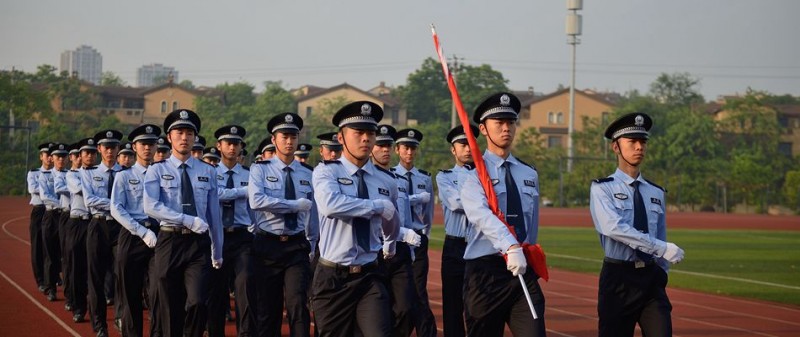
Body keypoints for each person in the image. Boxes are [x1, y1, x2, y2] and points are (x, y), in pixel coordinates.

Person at [589, 112, 685, 337]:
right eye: (632, 142)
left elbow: (660, 232)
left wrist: (661, 272)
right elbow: (613, 227)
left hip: (651, 279)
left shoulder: (656, 192)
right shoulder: (602, 188)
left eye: (642, 142)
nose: (639, 147)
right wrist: (661, 248)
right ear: (616, 147)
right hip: (618, 279)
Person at [460, 92, 546, 336]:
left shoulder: (529, 174)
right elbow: (481, 214)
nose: (506, 128)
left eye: (510, 122)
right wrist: (510, 246)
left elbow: (533, 222)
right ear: (484, 129)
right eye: (499, 123)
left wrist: (525, 250)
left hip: (522, 271)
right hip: (485, 273)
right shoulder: (473, 174)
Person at [311, 101, 400, 337]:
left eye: (370, 133)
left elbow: (392, 215)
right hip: (333, 278)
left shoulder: (386, 180)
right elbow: (330, 205)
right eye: (358, 132)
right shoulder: (326, 171)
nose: (366, 139)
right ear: (341, 137)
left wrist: (390, 243)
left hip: (370, 275)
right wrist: (376, 206)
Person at [143, 109, 224, 337]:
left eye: (189, 132)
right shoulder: (157, 170)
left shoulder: (208, 171)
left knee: (197, 302)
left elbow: (213, 215)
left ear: (195, 137)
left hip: (198, 245)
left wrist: (217, 251)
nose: (185, 137)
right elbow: (151, 206)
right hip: (169, 242)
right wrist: (186, 219)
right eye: (179, 132)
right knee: (169, 307)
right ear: (169, 137)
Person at [249, 113, 317, 337]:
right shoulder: (260, 169)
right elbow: (257, 201)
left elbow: (313, 213)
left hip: (296, 246)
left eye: (293, 136)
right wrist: (293, 205)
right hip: (267, 245)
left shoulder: (308, 173)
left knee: (298, 303)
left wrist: (313, 244)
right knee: (268, 308)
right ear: (273, 139)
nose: (289, 141)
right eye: (284, 136)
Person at [110, 124, 162, 337]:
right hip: (132, 236)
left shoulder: (162, 173)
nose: (147, 148)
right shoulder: (124, 176)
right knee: (130, 295)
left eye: (151, 144)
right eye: (143, 144)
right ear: (134, 147)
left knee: (158, 292)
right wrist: (142, 231)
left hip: (159, 235)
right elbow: (116, 209)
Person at [370, 124, 422, 336]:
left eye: (388, 146)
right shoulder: (364, 180)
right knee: (378, 309)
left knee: (405, 308)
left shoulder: (398, 181)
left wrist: (408, 248)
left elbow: (405, 218)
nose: (385, 150)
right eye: (380, 145)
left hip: (399, 252)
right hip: (374, 250)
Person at [207, 124, 258, 337]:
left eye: (236, 144)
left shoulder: (250, 174)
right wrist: (240, 192)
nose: (232, 147)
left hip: (242, 236)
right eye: (228, 143)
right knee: (216, 293)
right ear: (219, 146)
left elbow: (253, 204)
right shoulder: (208, 172)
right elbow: (214, 196)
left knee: (245, 287)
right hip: (215, 237)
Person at [392, 128, 436, 337]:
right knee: (399, 292)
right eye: (406, 148)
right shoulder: (389, 176)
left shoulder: (424, 178)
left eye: (413, 148)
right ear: (397, 150)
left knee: (419, 290)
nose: (409, 153)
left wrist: (423, 233)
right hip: (398, 239)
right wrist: (416, 199)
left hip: (417, 239)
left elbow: (428, 214)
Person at [436, 124, 479, 337]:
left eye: (471, 143)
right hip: (454, 246)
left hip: (479, 244)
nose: (468, 148)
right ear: (453, 149)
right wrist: (480, 202)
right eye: (462, 144)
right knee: (452, 305)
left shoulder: (486, 176)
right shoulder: (444, 177)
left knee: (478, 304)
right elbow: (455, 203)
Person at [81, 129, 124, 337]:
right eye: (106, 147)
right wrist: (117, 205)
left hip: (120, 228)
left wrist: (115, 208)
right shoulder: (89, 173)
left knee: (122, 274)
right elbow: (90, 201)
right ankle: (99, 325)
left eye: (113, 147)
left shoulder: (126, 173)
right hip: (98, 227)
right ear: (99, 149)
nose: (110, 151)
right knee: (96, 278)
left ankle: (119, 316)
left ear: (118, 149)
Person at [65, 138, 97, 323]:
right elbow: (80, 190)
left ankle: (96, 309)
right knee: (76, 266)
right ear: (80, 156)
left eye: (93, 153)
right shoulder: (72, 175)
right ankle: (79, 307)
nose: (90, 156)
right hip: (77, 223)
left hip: (94, 222)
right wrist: (95, 188)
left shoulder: (101, 173)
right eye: (86, 153)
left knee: (95, 268)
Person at [39, 142, 68, 302]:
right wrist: (64, 204)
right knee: (50, 255)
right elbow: (45, 196)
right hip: (51, 217)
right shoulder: (45, 176)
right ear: (52, 158)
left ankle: (69, 289)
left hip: (66, 218)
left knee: (66, 254)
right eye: (58, 157)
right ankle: (51, 288)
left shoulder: (70, 174)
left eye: (64, 156)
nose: (61, 160)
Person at [28, 143, 52, 294]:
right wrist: (49, 190)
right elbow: (33, 189)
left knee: (53, 246)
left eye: (52, 155)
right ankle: (41, 280)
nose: (49, 158)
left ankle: (52, 275)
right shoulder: (34, 173)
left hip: (54, 211)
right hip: (40, 211)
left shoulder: (59, 173)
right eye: (46, 155)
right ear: (41, 157)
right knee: (38, 246)